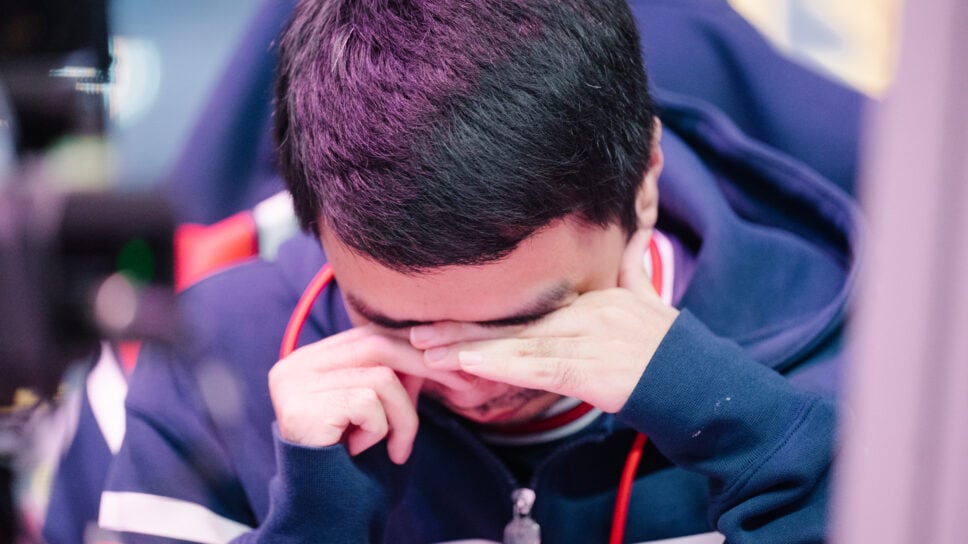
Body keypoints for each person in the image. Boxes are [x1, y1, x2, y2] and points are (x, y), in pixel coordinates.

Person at [93, 0, 860, 542]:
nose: (470, 379)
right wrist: (315, 524)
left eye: (528, 322)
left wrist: (748, 431)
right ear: (314, 224)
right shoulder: (210, 363)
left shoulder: (852, 374)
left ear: (644, 184)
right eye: (395, 324)